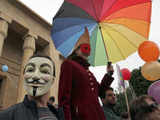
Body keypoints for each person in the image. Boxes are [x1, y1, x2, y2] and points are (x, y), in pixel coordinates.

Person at [58, 27, 114, 120]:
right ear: (76, 50)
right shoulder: (68, 64)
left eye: (89, 49)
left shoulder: (88, 71)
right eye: (85, 48)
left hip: (97, 115)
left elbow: (99, 92)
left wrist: (108, 75)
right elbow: (64, 98)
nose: (88, 53)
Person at [0, 54, 64, 120]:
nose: (35, 76)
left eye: (44, 71)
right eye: (30, 70)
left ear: (52, 81)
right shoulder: (6, 116)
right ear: (24, 76)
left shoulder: (59, 115)